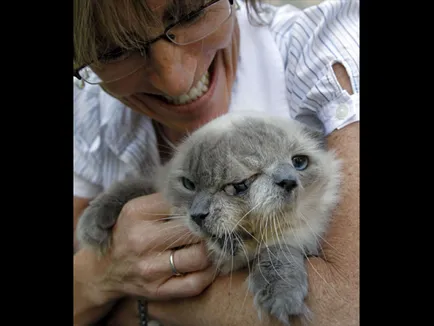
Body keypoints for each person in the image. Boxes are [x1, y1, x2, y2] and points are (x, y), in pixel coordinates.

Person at [73, 0, 359, 325]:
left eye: (191, 14)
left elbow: (343, 309)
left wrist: (127, 298)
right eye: (115, 51)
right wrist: (95, 277)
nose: (175, 80)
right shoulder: (89, 105)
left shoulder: (334, 47)